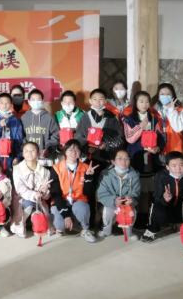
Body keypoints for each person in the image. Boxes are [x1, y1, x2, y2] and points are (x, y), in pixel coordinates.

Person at [76, 88, 124, 227]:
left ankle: (105, 222)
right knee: (89, 190)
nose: (98, 102)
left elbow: (119, 139)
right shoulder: (85, 117)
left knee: (106, 190)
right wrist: (86, 147)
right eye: (95, 99)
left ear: (106, 101)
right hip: (88, 161)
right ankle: (90, 221)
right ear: (90, 100)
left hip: (106, 160)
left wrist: (106, 144)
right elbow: (78, 136)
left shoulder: (112, 117)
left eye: (101, 99)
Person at [141, 152, 183, 245]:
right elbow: (157, 197)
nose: (178, 169)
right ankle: (151, 230)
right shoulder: (160, 176)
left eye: (181, 165)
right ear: (167, 167)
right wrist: (165, 199)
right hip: (167, 208)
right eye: (174, 166)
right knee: (156, 208)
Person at [124, 91, 166, 226]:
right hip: (136, 157)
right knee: (137, 187)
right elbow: (130, 138)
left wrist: (158, 147)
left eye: (147, 101)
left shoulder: (155, 119)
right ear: (135, 103)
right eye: (141, 101)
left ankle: (148, 215)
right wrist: (140, 126)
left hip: (151, 158)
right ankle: (136, 216)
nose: (144, 104)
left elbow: (161, 137)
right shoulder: (129, 119)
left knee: (149, 188)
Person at [49, 140, 98, 243]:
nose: (73, 152)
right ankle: (59, 226)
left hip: (79, 201)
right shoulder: (56, 168)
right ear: (65, 152)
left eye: (77, 150)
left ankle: (85, 229)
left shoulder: (86, 168)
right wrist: (66, 215)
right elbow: (56, 194)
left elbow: (89, 194)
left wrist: (89, 177)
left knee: (82, 207)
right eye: (70, 150)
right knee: (60, 226)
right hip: (61, 202)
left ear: (80, 152)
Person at [11, 142, 54, 238]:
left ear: (38, 153)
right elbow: (20, 188)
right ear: (22, 154)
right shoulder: (17, 169)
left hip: (39, 200)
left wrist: (44, 192)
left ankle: (37, 223)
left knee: (39, 211)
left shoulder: (45, 171)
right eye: (26, 151)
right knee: (29, 204)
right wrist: (35, 194)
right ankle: (21, 225)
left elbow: (47, 195)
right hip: (22, 199)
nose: (29, 153)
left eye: (32, 150)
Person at [97, 150, 141, 241]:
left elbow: (136, 192)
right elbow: (102, 194)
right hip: (111, 204)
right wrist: (114, 200)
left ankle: (128, 233)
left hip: (126, 204)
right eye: (120, 158)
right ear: (113, 161)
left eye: (126, 159)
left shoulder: (134, 175)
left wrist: (131, 199)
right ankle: (106, 231)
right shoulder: (106, 174)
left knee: (131, 211)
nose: (123, 161)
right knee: (108, 211)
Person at [21, 89, 60, 166]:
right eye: (33, 100)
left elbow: (56, 134)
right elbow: (21, 136)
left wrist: (48, 148)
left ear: (42, 101)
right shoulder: (24, 118)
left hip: (46, 158)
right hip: (28, 157)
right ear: (29, 101)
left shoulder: (49, 117)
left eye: (38, 100)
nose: (35, 102)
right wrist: (26, 149)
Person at [0, 93, 24, 173]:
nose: (4, 105)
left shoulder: (15, 120)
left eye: (7, 103)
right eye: (2, 103)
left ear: (11, 105)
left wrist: (17, 157)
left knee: (10, 175)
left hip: (11, 155)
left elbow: (18, 140)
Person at [154, 83, 183, 158]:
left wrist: (171, 110)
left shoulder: (180, 110)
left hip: (175, 147)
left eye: (168, 94)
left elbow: (178, 128)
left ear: (173, 96)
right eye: (162, 94)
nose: (165, 96)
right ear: (158, 96)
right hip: (159, 147)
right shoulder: (155, 111)